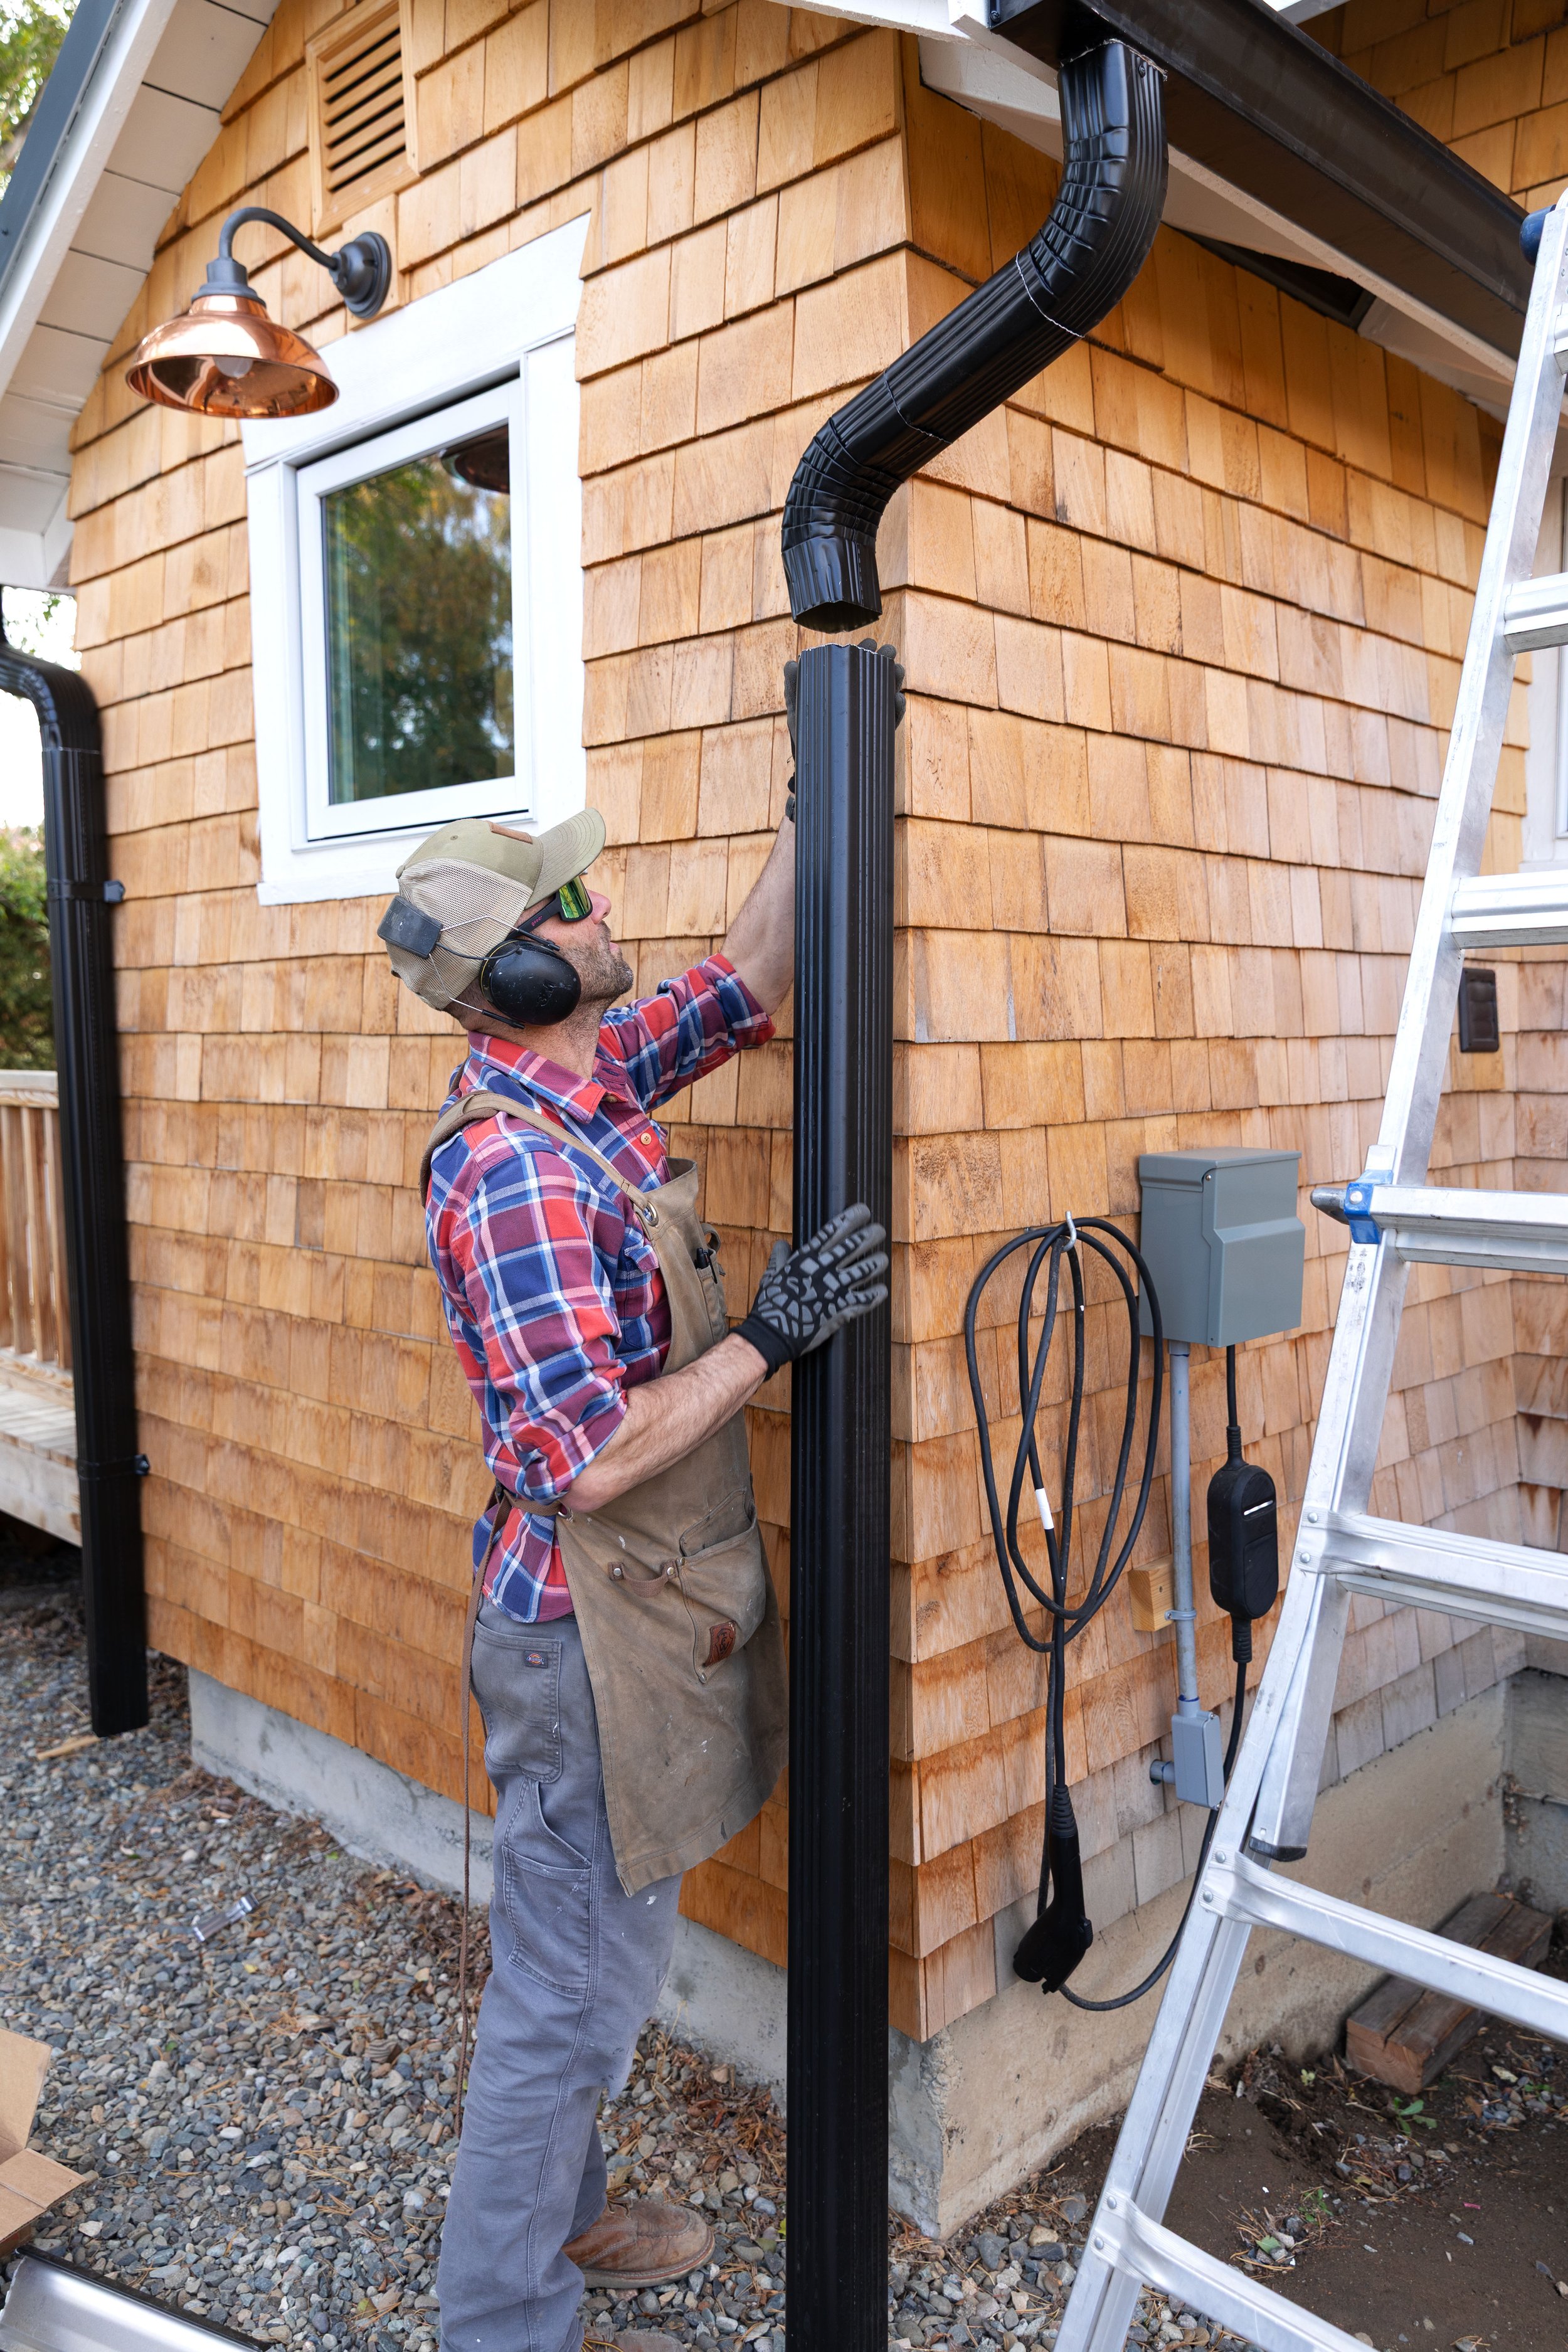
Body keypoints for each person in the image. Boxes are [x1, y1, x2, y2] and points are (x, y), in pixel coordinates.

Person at [378, 793, 889, 2352]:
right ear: (509, 983)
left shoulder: (589, 1080)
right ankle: (503, 2323)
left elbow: (743, 974)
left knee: (573, 1964)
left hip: (631, 1614)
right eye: (571, 903)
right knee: (568, 1995)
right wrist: (763, 1340)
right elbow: (581, 1457)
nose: (604, 911)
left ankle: (572, 2208)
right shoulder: (517, 1176)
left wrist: (820, 799)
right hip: (579, 1643)